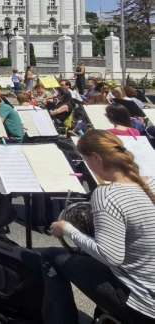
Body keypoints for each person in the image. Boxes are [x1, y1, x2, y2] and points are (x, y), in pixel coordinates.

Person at [45, 130, 155, 323]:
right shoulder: (152, 182)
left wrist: (66, 229)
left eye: (86, 161)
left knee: (51, 257)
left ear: (96, 158)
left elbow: (110, 256)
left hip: (145, 302)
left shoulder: (107, 194)